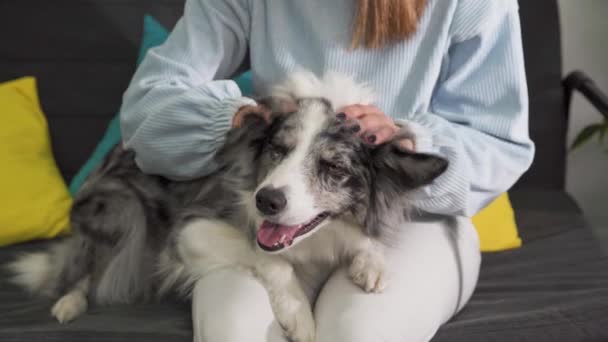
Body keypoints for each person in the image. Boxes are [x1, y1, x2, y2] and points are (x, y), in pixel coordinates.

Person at [119, 0, 535, 341]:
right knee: (235, 329)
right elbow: (145, 111)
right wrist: (244, 121)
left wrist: (407, 143)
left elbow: (500, 146)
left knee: (359, 331)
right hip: (269, 223)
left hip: (410, 222)